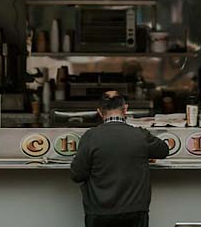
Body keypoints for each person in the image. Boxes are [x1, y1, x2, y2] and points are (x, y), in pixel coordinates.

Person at [70, 91, 169, 227]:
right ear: (126, 109)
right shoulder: (140, 135)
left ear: (99, 112)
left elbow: (77, 174)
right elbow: (164, 150)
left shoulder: (90, 137)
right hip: (135, 210)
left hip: (99, 212)